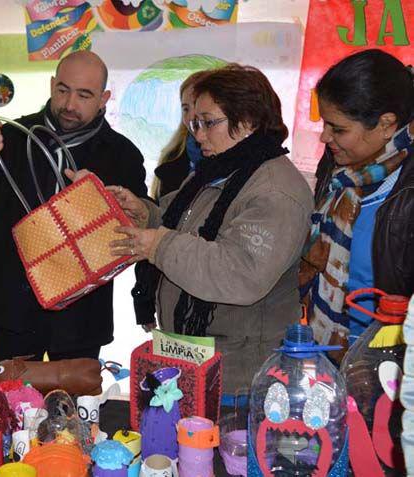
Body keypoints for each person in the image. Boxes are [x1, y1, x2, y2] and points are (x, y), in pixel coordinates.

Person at [108, 66, 313, 393]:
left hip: (241, 379)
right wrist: (146, 214)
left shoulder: (275, 192)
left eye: (208, 122)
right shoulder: (222, 169)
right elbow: (191, 226)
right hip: (201, 361)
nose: (198, 134)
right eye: (194, 123)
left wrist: (158, 245)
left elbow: (238, 273)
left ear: (246, 121)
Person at [0, 51, 147, 364]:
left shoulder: (122, 155)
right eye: (63, 90)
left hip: (80, 313)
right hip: (14, 306)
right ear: (52, 84)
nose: (70, 104)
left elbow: (138, 227)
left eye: (84, 95)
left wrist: (106, 205)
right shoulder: (12, 137)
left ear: (104, 98)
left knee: (72, 406)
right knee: (9, 403)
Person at [299, 49, 414, 354]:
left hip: (390, 367)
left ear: (386, 125)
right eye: (324, 123)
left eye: (338, 128)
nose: (324, 137)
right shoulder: (339, 169)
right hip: (326, 353)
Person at [132, 70, 209, 330]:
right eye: (186, 108)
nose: (192, 118)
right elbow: (153, 232)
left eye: (199, 109)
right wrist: (143, 300)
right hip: (166, 291)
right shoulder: (171, 163)